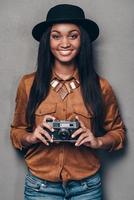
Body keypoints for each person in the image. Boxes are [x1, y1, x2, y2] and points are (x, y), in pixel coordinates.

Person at [10, 4, 126, 200]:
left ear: (83, 40)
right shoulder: (28, 84)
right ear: (48, 41)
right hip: (40, 186)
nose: (65, 43)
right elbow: (16, 131)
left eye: (73, 35)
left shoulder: (101, 86)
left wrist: (97, 141)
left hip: (87, 187)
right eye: (56, 36)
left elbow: (118, 134)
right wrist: (31, 137)